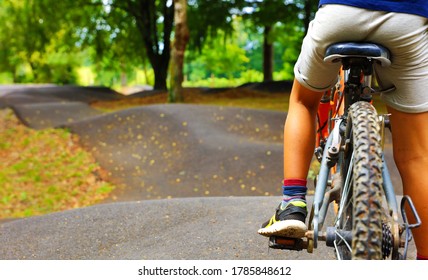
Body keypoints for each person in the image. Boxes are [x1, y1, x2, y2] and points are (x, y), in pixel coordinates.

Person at [257, 1, 428, 260]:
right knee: (417, 155)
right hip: (407, 19)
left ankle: (293, 203)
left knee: (303, 101)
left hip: (340, 13)